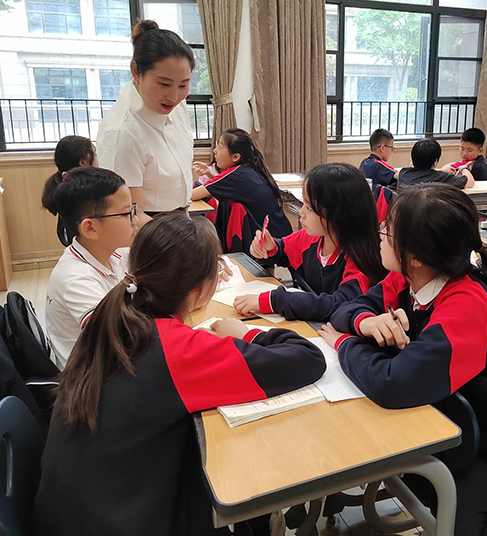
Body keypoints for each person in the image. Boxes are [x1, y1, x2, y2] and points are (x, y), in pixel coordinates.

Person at [32, 214, 326, 536]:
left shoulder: (114, 315)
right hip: (125, 518)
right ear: (199, 291)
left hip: (78, 507)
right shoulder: (177, 350)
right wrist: (246, 333)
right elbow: (308, 358)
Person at [321, 184, 487, 535]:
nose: (379, 233)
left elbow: (393, 382)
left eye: (387, 229)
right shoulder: (406, 280)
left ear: (416, 255)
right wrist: (364, 322)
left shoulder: (465, 303)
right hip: (480, 442)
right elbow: (346, 309)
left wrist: (344, 344)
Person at [234, 163, 388, 321]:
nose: (301, 213)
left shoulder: (361, 259)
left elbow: (341, 305)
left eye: (309, 207)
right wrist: (270, 248)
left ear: (338, 214)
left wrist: (276, 301)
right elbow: (283, 250)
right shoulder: (311, 238)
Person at [96, 20, 196, 226]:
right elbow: (131, 216)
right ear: (136, 72)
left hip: (181, 216)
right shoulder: (122, 132)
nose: (174, 96)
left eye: (183, 85)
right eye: (164, 84)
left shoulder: (176, 105)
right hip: (147, 228)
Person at [45, 167, 137, 368]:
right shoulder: (76, 279)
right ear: (91, 228)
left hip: (111, 361)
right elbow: (118, 340)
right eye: (126, 213)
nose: (135, 220)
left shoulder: (114, 253)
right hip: (91, 375)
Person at [191, 128, 291, 238]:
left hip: (272, 242)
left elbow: (192, 195)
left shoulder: (236, 175)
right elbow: (222, 186)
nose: (215, 151)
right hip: (280, 234)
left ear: (236, 157)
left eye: (219, 147)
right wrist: (209, 173)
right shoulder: (248, 169)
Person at [41, 135, 98, 246]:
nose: (97, 159)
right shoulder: (85, 189)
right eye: (95, 155)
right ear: (83, 162)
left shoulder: (62, 181)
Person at [398, 137, 474, 191]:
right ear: (435, 161)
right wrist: (464, 168)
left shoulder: (403, 173)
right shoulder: (441, 178)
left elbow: (423, 173)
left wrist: (440, 170)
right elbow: (469, 182)